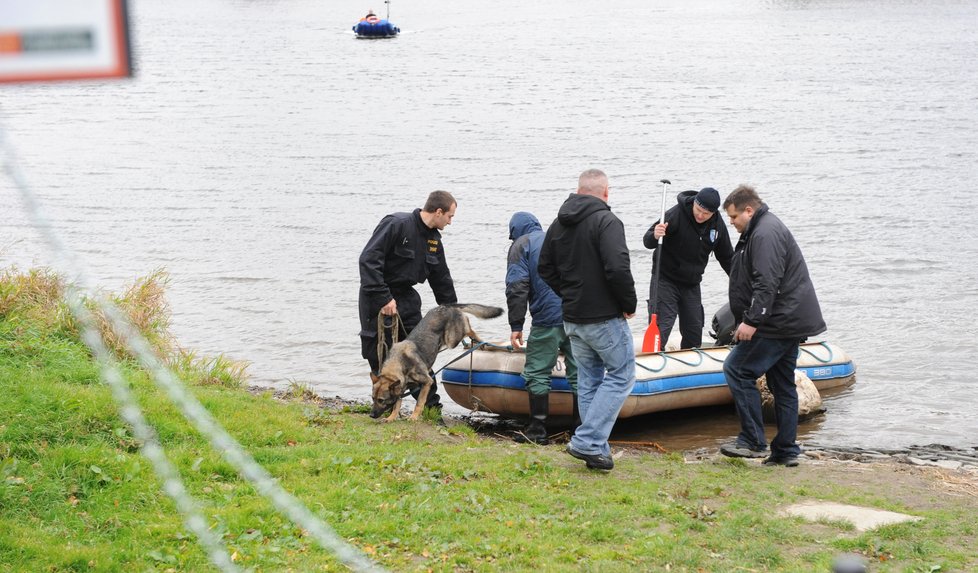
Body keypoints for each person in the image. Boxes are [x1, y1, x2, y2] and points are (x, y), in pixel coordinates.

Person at [719, 185, 826, 467]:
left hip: (776, 322)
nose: (732, 223)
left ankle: (752, 440)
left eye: (733, 217)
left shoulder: (765, 233)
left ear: (749, 210)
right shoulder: (762, 228)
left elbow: (767, 282)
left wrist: (751, 321)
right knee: (782, 385)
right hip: (788, 320)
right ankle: (786, 450)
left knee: (737, 369)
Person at [539, 169, 637, 471]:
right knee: (622, 375)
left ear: (579, 190)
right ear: (605, 192)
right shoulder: (607, 221)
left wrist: (568, 293)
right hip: (604, 316)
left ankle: (597, 452)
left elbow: (545, 267)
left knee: (589, 381)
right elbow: (617, 268)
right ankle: (587, 441)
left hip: (573, 318)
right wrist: (628, 304)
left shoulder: (558, 224)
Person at [358, 191, 458, 416]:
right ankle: (383, 402)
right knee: (377, 352)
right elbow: (368, 260)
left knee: (417, 354)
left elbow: (441, 278)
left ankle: (432, 410)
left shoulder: (433, 240)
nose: (450, 222)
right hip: (376, 294)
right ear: (438, 212)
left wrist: (452, 313)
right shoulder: (397, 224)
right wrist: (383, 297)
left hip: (406, 297)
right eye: (450, 217)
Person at [505, 212, 578, 445]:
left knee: (537, 372)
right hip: (578, 315)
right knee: (580, 372)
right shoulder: (560, 237)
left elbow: (517, 287)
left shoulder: (521, 245)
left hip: (547, 319)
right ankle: (581, 430)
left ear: (516, 231)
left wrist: (516, 324)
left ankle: (537, 429)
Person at [643, 187, 733, 350]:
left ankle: (690, 366)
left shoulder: (717, 226)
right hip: (665, 280)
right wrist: (655, 235)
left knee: (694, 331)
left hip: (691, 284)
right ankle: (653, 358)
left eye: (706, 213)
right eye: (698, 210)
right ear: (694, 203)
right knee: (663, 326)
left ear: (713, 213)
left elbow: (727, 257)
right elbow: (647, 241)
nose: (700, 215)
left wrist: (740, 280)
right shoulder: (674, 215)